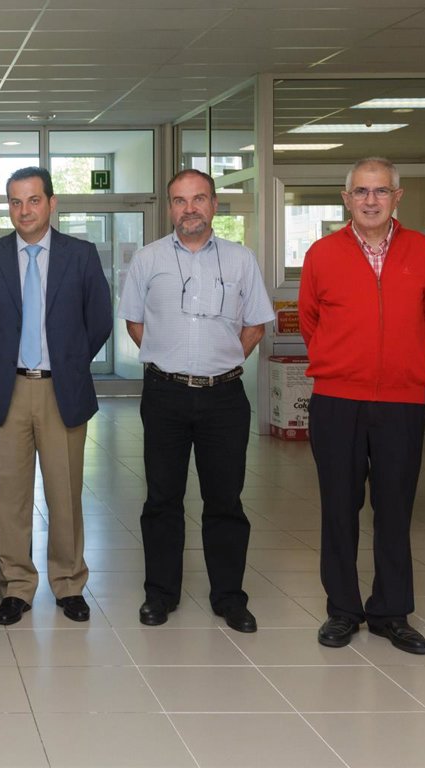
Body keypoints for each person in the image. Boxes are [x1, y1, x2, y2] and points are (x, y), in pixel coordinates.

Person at [120, 169, 274, 633]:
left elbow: (255, 325)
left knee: (225, 500)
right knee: (162, 499)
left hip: (224, 397)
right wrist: (171, 361)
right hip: (164, 395)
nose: (190, 209)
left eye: (199, 199)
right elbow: (134, 323)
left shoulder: (241, 260)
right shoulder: (148, 259)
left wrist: (220, 360)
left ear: (214, 204)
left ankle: (229, 597)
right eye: (180, 200)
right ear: (170, 207)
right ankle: (160, 594)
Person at [299, 157, 425, 655]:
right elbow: (311, 321)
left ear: (397, 197)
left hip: (402, 401)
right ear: (347, 198)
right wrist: (343, 364)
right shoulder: (322, 254)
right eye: (361, 191)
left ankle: (390, 612)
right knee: (339, 507)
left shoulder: (421, 251)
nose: (371, 200)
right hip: (337, 401)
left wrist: (404, 367)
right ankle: (343, 610)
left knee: (395, 508)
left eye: (381, 191)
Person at [0, 167, 112, 626]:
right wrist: (2, 357)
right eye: (15, 202)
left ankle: (68, 583)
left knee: (65, 494)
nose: (24, 210)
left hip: (60, 390)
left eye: (33, 200)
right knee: (10, 495)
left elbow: (99, 320)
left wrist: (69, 360)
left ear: (51, 203)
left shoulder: (80, 255)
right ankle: (17, 586)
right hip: (9, 390)